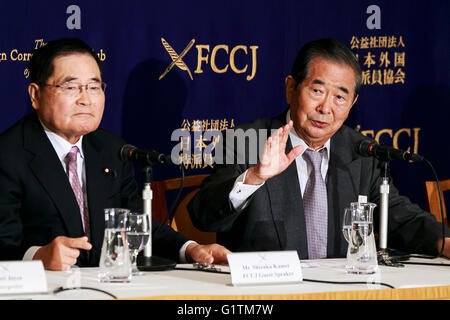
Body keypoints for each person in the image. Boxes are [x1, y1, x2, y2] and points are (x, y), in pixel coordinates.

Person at [188, 38, 450, 260]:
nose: (326, 108)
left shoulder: (361, 152)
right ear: (291, 88)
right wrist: (255, 176)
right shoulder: (247, 140)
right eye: (317, 91)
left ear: (352, 102)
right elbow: (204, 218)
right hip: (265, 292)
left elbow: (398, 216)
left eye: (339, 97)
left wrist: (444, 242)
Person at [0, 38, 230, 271]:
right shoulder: (8, 155)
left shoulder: (112, 150)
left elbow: (138, 223)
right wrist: (37, 256)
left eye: (93, 87)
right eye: (70, 87)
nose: (85, 99)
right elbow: (3, 242)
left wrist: (191, 249)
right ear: (35, 95)